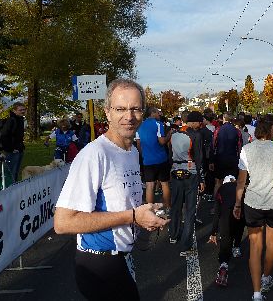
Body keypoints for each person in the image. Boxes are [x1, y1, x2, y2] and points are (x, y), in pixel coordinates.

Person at [54, 79, 168, 300]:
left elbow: (120, 203)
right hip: (99, 265)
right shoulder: (94, 155)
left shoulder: (132, 151)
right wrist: (133, 216)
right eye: (120, 109)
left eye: (135, 108)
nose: (129, 116)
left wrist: (144, 215)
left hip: (122, 259)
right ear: (107, 112)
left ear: (143, 112)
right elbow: (63, 222)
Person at [233, 120, 273, 301]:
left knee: (255, 245)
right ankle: (266, 277)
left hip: (253, 202)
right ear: (271, 130)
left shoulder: (246, 150)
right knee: (272, 243)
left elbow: (241, 182)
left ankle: (256, 293)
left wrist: (237, 204)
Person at [168, 111, 205, 255]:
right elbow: (199, 158)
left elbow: (170, 155)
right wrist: (201, 179)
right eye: (199, 122)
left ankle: (173, 234)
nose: (200, 125)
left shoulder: (174, 134)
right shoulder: (196, 135)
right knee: (190, 210)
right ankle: (186, 246)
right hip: (191, 172)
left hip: (175, 171)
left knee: (176, 205)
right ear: (194, 122)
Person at [208, 175, 246, 286]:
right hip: (240, 211)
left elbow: (217, 213)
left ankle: (224, 265)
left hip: (226, 214)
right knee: (239, 228)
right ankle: (237, 247)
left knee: (226, 238)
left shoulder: (221, 189)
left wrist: (213, 232)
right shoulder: (240, 187)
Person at [136, 107, 172, 208]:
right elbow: (162, 141)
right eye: (157, 112)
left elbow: (139, 144)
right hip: (161, 159)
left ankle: (149, 209)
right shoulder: (158, 124)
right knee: (164, 184)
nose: (159, 114)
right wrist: (169, 134)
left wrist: (144, 155)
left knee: (149, 185)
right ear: (152, 113)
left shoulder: (139, 125)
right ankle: (167, 207)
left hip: (147, 160)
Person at [210, 112, 242, 196]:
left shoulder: (218, 130)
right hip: (232, 159)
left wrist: (211, 160)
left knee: (218, 182)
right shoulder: (237, 131)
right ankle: (231, 203)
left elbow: (213, 146)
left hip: (220, 159)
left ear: (224, 118)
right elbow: (239, 147)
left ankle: (216, 205)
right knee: (232, 182)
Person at [0, 102, 26, 182]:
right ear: (14, 111)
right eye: (20, 110)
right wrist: (10, 149)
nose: (23, 111)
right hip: (12, 151)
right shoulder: (11, 120)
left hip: (19, 150)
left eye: (24, 109)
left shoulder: (20, 120)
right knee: (10, 173)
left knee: (16, 172)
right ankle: (9, 190)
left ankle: (14, 189)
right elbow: (4, 135)